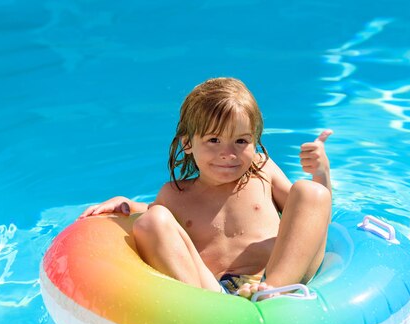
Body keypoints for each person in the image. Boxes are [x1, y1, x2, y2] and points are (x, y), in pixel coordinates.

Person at [80, 77, 332, 299]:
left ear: (254, 142)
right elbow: (155, 216)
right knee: (152, 221)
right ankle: (202, 309)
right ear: (188, 143)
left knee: (311, 192)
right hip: (213, 293)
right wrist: (126, 205)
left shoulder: (262, 171)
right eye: (214, 140)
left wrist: (321, 172)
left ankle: (274, 293)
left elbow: (312, 219)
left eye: (241, 141)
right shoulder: (176, 195)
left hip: (273, 279)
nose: (228, 153)